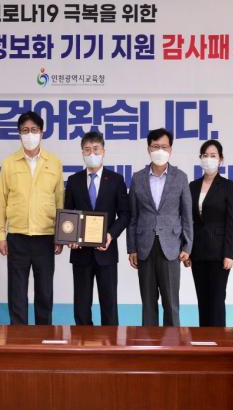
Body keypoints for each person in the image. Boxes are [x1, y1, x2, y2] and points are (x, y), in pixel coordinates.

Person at [0, 111, 64, 325]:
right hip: (17, 237)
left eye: (34, 130)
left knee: (44, 291)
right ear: (19, 134)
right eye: (25, 130)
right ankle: (18, 336)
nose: (30, 134)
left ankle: (44, 334)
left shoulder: (54, 162)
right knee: (17, 292)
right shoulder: (9, 163)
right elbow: (1, 201)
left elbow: (60, 201)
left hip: (45, 237)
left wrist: (60, 236)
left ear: (42, 132)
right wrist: (0, 235)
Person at [127, 128, 193, 327]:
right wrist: (131, 248)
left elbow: (187, 215)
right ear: (148, 149)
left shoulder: (180, 177)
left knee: (171, 303)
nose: (160, 151)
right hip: (144, 246)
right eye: (155, 146)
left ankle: (173, 343)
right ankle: (150, 343)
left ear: (170, 149)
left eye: (164, 147)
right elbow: (133, 216)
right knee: (148, 303)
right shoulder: (137, 178)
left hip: (171, 247)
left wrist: (187, 246)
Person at [64, 131, 130, 326]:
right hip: (81, 253)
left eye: (96, 149)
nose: (91, 153)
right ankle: (82, 343)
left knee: (109, 305)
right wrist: (70, 238)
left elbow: (125, 214)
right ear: (82, 153)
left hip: (106, 251)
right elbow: (68, 215)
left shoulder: (116, 180)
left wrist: (110, 235)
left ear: (103, 151)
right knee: (81, 306)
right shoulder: (74, 180)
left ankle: (111, 343)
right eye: (87, 150)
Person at [188, 140, 233, 327]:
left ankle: (219, 340)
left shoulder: (227, 186)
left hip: (219, 254)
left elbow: (232, 221)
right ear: (200, 158)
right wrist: (187, 250)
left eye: (213, 156)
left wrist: (229, 253)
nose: (208, 159)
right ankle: (203, 340)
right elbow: (188, 220)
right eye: (205, 155)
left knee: (216, 301)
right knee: (202, 300)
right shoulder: (193, 186)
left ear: (220, 159)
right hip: (197, 252)